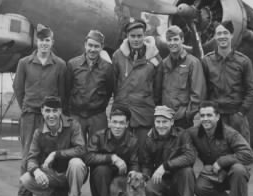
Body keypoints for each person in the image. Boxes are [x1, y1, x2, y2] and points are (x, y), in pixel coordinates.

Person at [10, 24, 67, 196]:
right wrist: (27, 107)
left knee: (51, 154)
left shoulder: (60, 64)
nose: (44, 44)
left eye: (47, 40)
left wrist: (56, 115)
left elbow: (63, 93)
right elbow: (18, 88)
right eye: (41, 40)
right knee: (27, 154)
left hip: (50, 117)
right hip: (30, 114)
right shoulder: (24, 63)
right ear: (37, 41)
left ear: (52, 42)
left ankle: (50, 193)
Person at [19, 96, 88, 196]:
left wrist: (56, 154)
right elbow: (31, 158)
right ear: (42, 111)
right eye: (48, 111)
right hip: (53, 175)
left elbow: (81, 149)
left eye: (55, 111)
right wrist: (36, 171)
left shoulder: (73, 125)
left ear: (60, 111)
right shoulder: (38, 132)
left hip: (70, 173)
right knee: (25, 179)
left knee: (76, 163)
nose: (51, 115)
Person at [187, 101, 253, 196]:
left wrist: (222, 161)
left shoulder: (230, 133)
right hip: (212, 173)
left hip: (232, 174)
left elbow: (248, 155)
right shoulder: (194, 133)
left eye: (209, 115)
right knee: (199, 188)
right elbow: (182, 144)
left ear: (217, 117)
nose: (205, 119)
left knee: (238, 170)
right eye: (202, 116)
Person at [112, 18, 163, 165]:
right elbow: (114, 83)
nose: (136, 39)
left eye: (139, 36)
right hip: (122, 112)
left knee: (142, 154)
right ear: (127, 36)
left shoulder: (154, 57)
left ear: (144, 35)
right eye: (132, 36)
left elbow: (158, 88)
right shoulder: (117, 56)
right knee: (121, 153)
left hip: (144, 113)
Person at [202, 20, 253, 143]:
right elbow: (203, 90)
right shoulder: (206, 61)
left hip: (236, 117)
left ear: (231, 35)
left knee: (240, 156)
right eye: (219, 33)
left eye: (225, 33)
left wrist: (241, 113)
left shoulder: (244, 61)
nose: (222, 36)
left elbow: (251, 91)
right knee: (217, 156)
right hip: (216, 118)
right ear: (215, 36)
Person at [143, 106, 196, 196]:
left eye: (165, 121)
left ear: (172, 122)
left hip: (179, 176)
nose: (161, 125)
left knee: (187, 172)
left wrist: (165, 166)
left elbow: (190, 156)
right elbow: (147, 164)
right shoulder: (149, 138)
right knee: (149, 186)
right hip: (161, 178)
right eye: (158, 121)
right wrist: (145, 177)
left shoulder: (183, 134)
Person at [85, 105, 139, 196]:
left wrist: (133, 173)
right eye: (114, 122)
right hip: (101, 181)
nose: (117, 126)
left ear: (127, 123)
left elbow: (135, 162)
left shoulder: (133, 140)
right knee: (101, 169)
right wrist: (112, 158)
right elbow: (88, 157)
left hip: (122, 177)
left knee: (134, 175)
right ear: (109, 122)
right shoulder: (99, 136)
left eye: (121, 123)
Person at [66, 30, 114, 143]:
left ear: (102, 47)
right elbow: (66, 90)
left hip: (97, 116)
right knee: (76, 150)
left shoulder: (108, 68)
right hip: (76, 115)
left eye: (96, 46)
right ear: (85, 45)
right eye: (90, 45)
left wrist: (99, 105)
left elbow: (109, 90)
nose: (92, 49)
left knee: (98, 149)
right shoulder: (72, 64)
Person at [162, 25, 206, 128]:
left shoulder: (193, 63)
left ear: (182, 39)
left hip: (184, 120)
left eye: (176, 39)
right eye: (169, 40)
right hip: (165, 119)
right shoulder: (163, 64)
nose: (172, 43)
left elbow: (198, 94)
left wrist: (188, 115)